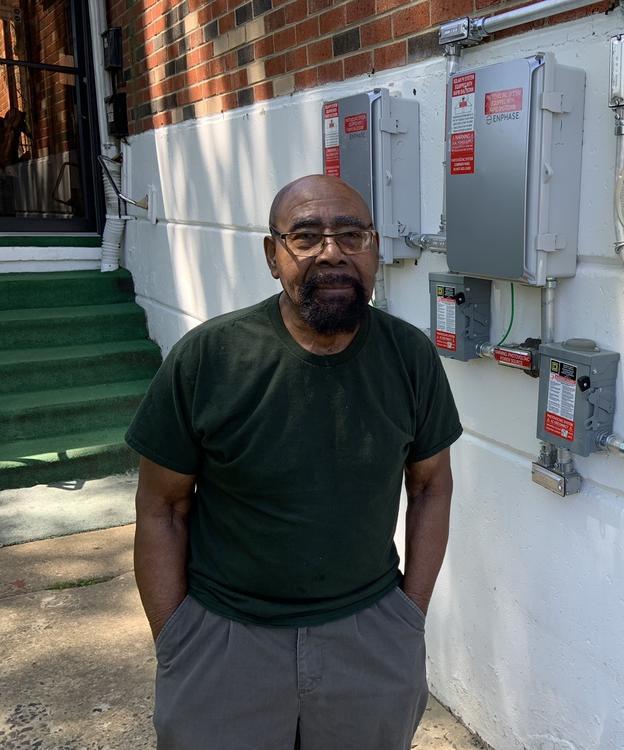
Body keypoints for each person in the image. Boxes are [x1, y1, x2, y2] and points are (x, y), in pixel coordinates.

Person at [127, 174, 462, 750]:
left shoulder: (410, 357)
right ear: (272, 255)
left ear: (376, 249)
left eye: (352, 234)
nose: (332, 252)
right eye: (305, 237)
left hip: (370, 635)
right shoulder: (209, 359)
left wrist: (409, 616)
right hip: (226, 639)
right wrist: (177, 637)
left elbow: (432, 487)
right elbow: (163, 506)